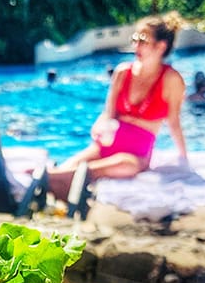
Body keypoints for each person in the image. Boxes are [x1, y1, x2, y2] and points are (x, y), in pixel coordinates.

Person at [47, 14, 187, 202]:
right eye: (135, 39)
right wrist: (100, 126)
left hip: (135, 156)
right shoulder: (122, 72)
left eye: (143, 41)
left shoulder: (171, 79)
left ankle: (46, 177)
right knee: (70, 166)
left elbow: (174, 122)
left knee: (101, 169)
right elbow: (109, 113)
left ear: (161, 46)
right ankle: (51, 179)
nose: (136, 46)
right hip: (106, 145)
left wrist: (184, 157)